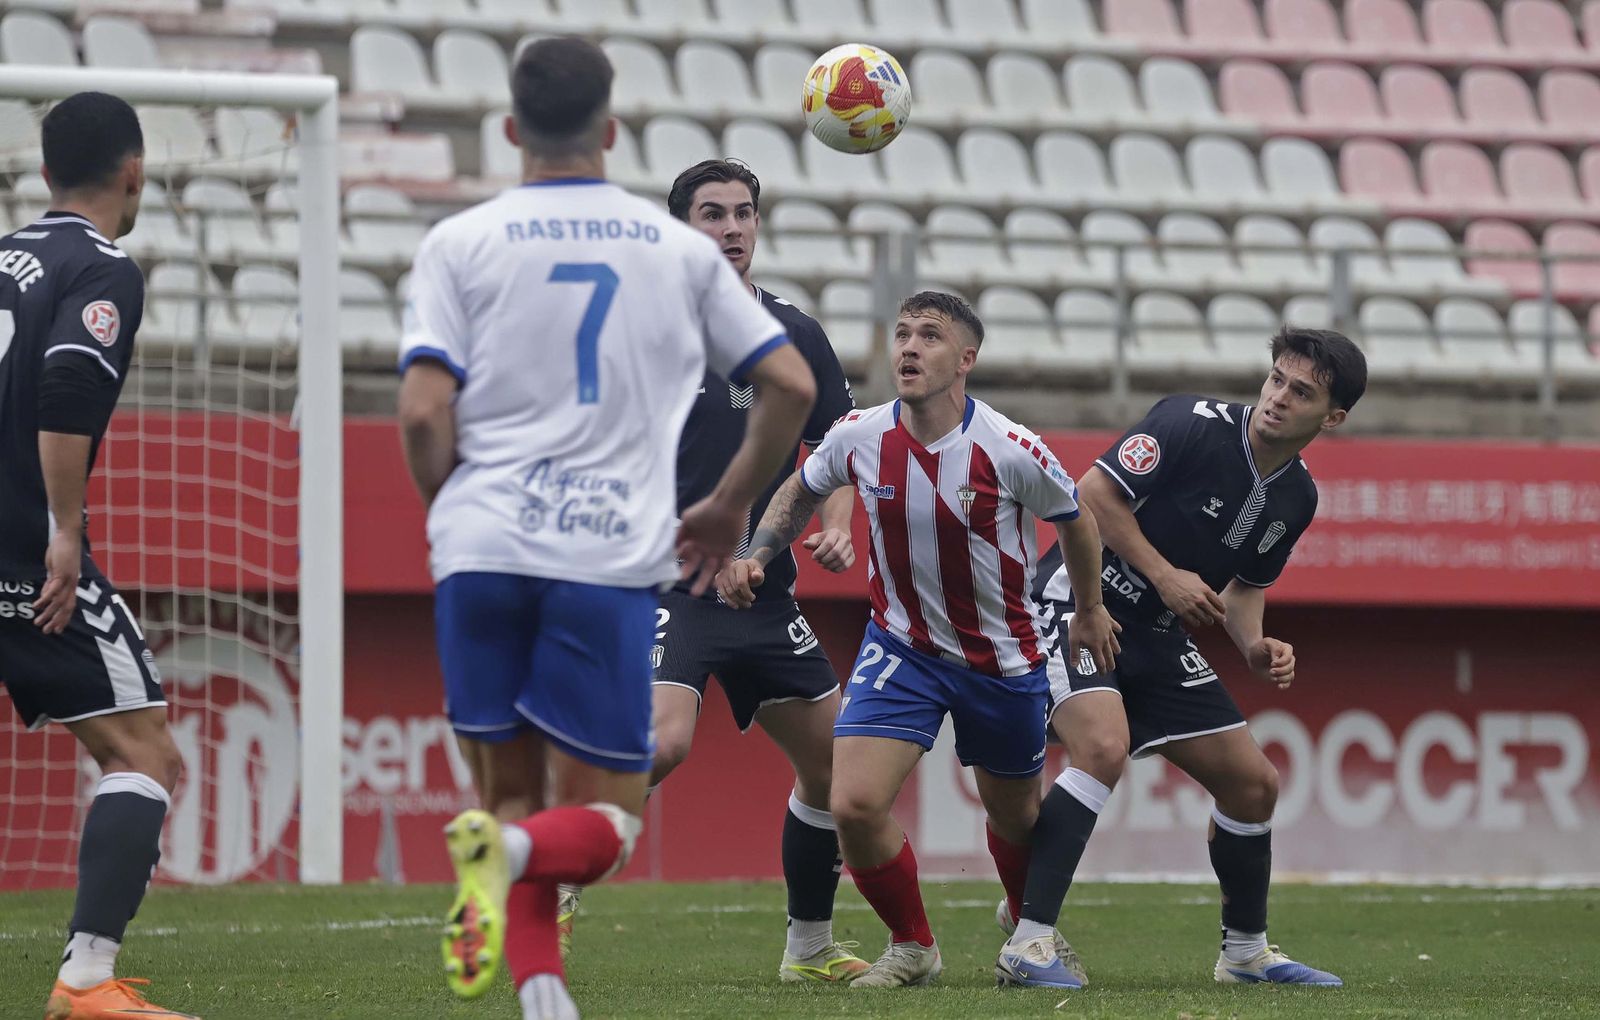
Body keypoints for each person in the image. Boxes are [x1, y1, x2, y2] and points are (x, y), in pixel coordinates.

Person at [397, 38, 816, 1020]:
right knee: (601, 823)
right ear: (613, 131)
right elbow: (789, 384)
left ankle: (543, 995)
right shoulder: (672, 250)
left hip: (482, 551)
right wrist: (725, 504)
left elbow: (421, 413)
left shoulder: (458, 242)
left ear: (510, 130)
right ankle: (501, 860)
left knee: (510, 793)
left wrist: (457, 512)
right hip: (602, 558)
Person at [718, 291, 1119, 988]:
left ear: (966, 359)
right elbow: (802, 489)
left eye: (929, 336)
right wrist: (759, 550)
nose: (908, 346)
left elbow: (1076, 520)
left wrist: (1088, 609)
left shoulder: (1011, 447)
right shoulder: (858, 434)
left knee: (1017, 818)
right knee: (853, 803)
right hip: (901, 647)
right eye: (901, 333)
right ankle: (913, 947)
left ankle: (1034, 937)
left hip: (1002, 655)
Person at [558, 158, 866, 981]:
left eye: (743, 213)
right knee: (661, 745)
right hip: (670, 585)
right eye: (712, 213)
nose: (731, 228)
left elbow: (839, 452)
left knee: (838, 770)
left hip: (762, 595)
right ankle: (555, 868)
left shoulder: (796, 333)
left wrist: (835, 527)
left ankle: (808, 951)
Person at [996, 328, 1367, 990]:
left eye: (1301, 392)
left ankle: (1245, 955)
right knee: (1103, 750)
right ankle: (1029, 943)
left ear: (1332, 418)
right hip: (1079, 606)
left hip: (1160, 637)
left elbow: (1246, 587)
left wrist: (1255, 647)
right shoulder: (1188, 424)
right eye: (1276, 378)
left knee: (1254, 785)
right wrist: (1164, 573)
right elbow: (1089, 496)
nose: (1278, 397)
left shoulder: (1297, 497)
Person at [0, 92, 197, 1020]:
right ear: (135, 171)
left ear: (42, 174)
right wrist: (64, 530)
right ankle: (85, 982)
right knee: (145, 750)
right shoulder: (101, 264)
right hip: (19, 545)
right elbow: (69, 382)